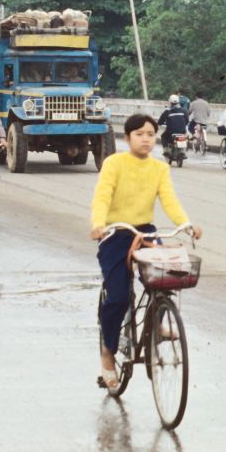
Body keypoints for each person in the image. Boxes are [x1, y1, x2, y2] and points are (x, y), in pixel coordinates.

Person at [89, 113, 203, 390]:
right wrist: (98, 224)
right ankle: (108, 353)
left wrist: (185, 224)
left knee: (164, 277)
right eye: (139, 134)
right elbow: (103, 195)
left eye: (150, 134)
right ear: (127, 138)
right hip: (116, 233)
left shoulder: (160, 168)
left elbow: (169, 200)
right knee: (117, 296)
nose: (146, 139)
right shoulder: (114, 163)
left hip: (146, 232)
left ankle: (158, 320)